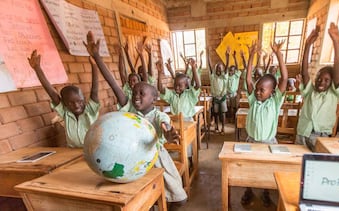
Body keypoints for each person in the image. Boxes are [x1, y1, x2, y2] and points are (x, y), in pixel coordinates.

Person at [84, 31, 187, 207]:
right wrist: (97, 58)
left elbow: (165, 126)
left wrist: (168, 134)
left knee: (180, 199)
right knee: (141, 200)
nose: (136, 97)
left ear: (154, 99)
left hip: (155, 160)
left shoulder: (158, 115)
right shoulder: (129, 108)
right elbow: (114, 84)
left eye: (141, 93)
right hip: (130, 159)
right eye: (133, 93)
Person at [242, 39, 288, 207]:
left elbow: (284, 78)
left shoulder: (275, 102)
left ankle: (266, 193)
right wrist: (251, 55)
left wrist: (278, 55)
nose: (258, 91)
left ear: (272, 92)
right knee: (249, 168)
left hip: (269, 143)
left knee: (268, 169)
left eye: (262, 89)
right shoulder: (254, 100)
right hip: (251, 141)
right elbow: (248, 79)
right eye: (257, 88)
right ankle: (248, 190)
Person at [27, 50, 100, 148]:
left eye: (79, 101)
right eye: (71, 103)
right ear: (64, 104)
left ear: (84, 99)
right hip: (73, 153)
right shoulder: (65, 113)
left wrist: (95, 66)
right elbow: (52, 93)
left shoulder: (90, 111)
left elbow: (94, 90)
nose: (76, 105)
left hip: (93, 151)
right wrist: (37, 69)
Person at [295, 23, 339, 151]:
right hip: (303, 134)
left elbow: (338, 71)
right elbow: (304, 72)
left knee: (316, 166)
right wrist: (307, 45)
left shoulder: (334, 94)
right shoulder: (309, 91)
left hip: (322, 137)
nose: (321, 82)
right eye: (319, 79)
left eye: (327, 80)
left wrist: (336, 44)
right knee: (297, 165)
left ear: (332, 82)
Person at [208, 47, 229, 134]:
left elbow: (227, 67)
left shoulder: (224, 77)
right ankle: (217, 126)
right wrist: (208, 54)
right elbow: (209, 65)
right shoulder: (213, 77)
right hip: (215, 97)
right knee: (216, 113)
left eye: (220, 68)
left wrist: (227, 57)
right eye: (217, 68)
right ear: (215, 70)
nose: (219, 70)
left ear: (223, 70)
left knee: (223, 113)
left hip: (223, 97)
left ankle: (223, 128)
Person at [226, 50, 242, 122]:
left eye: (232, 70)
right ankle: (229, 118)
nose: (231, 72)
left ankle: (233, 118)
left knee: (234, 106)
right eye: (230, 70)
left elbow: (238, 68)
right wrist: (228, 56)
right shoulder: (227, 76)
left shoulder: (236, 76)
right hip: (227, 94)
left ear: (235, 71)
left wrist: (234, 57)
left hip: (234, 94)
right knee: (229, 107)